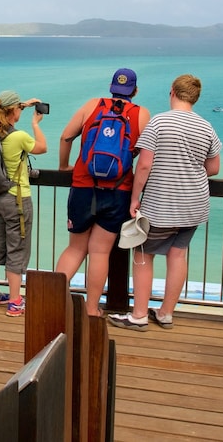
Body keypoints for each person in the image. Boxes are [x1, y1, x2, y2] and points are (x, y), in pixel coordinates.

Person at [107, 74, 221, 331]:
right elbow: (213, 167)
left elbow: (145, 164)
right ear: (195, 97)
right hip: (194, 205)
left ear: (172, 92)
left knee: (143, 253)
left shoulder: (159, 122)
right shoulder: (205, 126)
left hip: (162, 204)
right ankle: (166, 313)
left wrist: (135, 198)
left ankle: (138, 315)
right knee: (178, 254)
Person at [55, 68, 151, 317]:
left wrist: (64, 166)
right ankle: (91, 309)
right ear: (135, 91)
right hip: (118, 191)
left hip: (83, 186)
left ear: (111, 87)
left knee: (75, 248)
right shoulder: (141, 114)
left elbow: (66, 136)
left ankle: (51, 301)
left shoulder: (92, 105)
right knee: (100, 251)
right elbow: (145, 159)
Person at [0, 90, 47, 316]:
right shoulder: (19, 137)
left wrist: (24, 104)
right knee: (16, 249)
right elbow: (42, 147)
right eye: (18, 107)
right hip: (17, 199)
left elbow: (7, 111)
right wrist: (36, 123)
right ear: (13, 112)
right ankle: (16, 301)